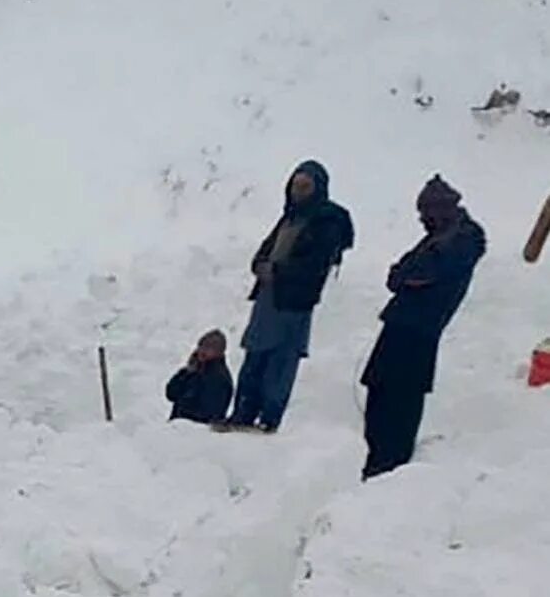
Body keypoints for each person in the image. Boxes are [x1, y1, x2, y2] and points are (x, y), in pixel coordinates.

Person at [361, 175, 486, 480]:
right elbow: (398, 275)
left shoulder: (464, 237)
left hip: (422, 328)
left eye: (425, 212)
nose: (421, 220)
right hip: (400, 321)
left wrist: (409, 276)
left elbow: (427, 272)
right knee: (378, 390)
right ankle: (375, 458)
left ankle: (391, 463)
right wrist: (407, 276)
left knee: (402, 397)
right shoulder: (437, 237)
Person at [227, 160, 354, 432]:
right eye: (295, 185)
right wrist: (261, 266)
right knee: (255, 356)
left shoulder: (326, 222)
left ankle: (269, 418)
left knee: (280, 362)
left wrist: (277, 271)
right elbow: (264, 250)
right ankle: (242, 413)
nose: (298, 191)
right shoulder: (289, 217)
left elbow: (314, 266)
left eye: (305, 186)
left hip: (295, 302)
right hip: (268, 297)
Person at [166, 329, 235, 425]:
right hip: (180, 425)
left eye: (209, 348)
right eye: (201, 346)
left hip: (199, 430)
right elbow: (171, 393)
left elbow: (209, 411)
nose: (202, 351)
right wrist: (186, 374)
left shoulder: (219, 377)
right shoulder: (193, 370)